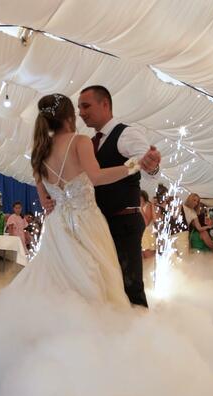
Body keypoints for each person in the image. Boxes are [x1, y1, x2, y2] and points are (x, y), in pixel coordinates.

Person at [10, 93, 143, 307]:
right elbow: (96, 177)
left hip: (56, 226)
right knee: (93, 279)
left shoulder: (39, 151)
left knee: (57, 281)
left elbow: (43, 198)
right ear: (69, 116)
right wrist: (134, 165)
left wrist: (48, 201)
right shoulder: (80, 141)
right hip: (87, 222)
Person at [52, 85, 160, 308]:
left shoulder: (127, 134)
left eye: (86, 106)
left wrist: (151, 165)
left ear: (105, 104)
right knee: (106, 287)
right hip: (97, 225)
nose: (81, 112)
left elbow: (146, 165)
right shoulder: (89, 142)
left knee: (130, 286)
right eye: (79, 108)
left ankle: (140, 326)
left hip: (123, 222)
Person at [140, 191, 156, 258]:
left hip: (148, 233)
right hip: (140, 234)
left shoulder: (148, 205)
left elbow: (146, 223)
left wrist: (141, 209)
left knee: (149, 257)